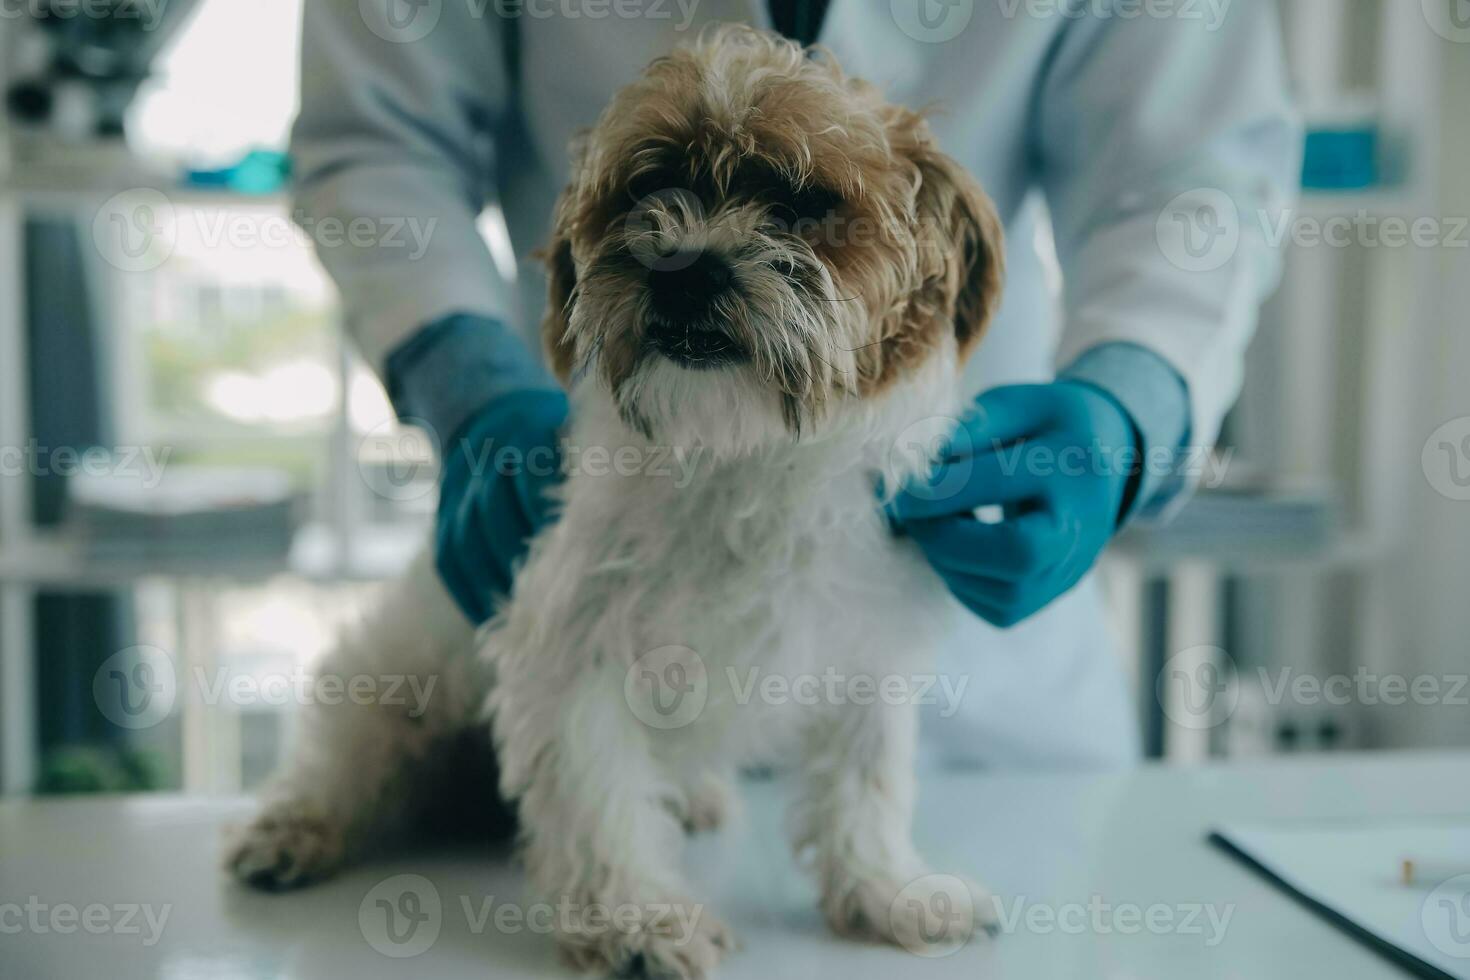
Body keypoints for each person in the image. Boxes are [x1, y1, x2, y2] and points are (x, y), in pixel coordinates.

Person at [293, 0, 1299, 768]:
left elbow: (1192, 169)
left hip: (971, 665)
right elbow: (375, 141)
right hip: (605, 492)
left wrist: (1128, 403)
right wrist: (463, 380)